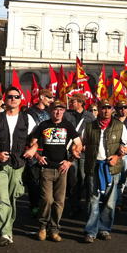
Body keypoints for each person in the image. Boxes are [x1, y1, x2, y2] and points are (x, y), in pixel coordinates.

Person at [0, 86, 38, 246]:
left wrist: (33, 148)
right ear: (5, 100)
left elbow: (36, 137)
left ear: (20, 100)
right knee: (1, 197)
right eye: (10, 96)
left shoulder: (27, 118)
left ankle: (8, 225)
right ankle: (5, 233)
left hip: (18, 164)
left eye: (16, 96)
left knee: (12, 198)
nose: (13, 99)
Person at [32, 100, 82, 242]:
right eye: (55, 110)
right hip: (47, 168)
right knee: (46, 199)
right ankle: (42, 227)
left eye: (61, 109)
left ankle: (54, 229)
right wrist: (37, 156)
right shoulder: (43, 125)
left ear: (64, 111)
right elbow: (32, 142)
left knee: (59, 201)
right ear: (50, 111)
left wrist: (70, 161)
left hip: (62, 169)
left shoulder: (68, 125)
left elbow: (78, 144)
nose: (58, 112)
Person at [83, 99, 127, 242]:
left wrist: (118, 155)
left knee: (110, 201)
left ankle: (104, 229)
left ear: (112, 110)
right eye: (103, 108)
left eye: (109, 108)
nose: (106, 110)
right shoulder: (89, 126)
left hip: (112, 167)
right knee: (93, 199)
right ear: (98, 109)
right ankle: (91, 231)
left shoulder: (119, 125)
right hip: (94, 166)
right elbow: (82, 142)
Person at [64, 92, 96, 218]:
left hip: (83, 154)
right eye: (71, 101)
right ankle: (74, 206)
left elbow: (94, 134)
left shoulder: (90, 116)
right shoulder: (67, 115)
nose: (71, 103)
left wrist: (87, 145)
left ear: (81, 103)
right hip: (70, 152)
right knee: (72, 180)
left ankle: (81, 201)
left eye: (74, 101)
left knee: (82, 179)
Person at [23, 88, 54, 218]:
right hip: (33, 150)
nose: (51, 100)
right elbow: (27, 134)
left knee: (46, 180)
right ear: (41, 97)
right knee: (34, 180)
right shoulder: (29, 112)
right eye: (49, 97)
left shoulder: (50, 112)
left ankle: (45, 206)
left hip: (48, 149)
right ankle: (35, 205)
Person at [114, 100, 127, 211]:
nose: (123, 110)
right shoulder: (112, 121)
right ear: (117, 110)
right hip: (114, 153)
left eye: (125, 108)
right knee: (115, 178)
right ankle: (118, 201)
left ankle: (119, 194)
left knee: (123, 176)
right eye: (121, 108)